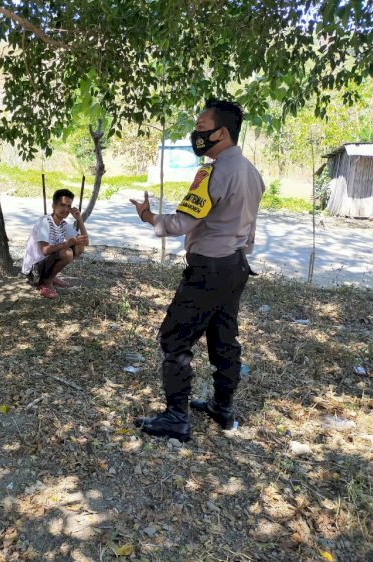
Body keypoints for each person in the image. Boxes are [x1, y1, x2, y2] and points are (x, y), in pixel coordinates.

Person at [129, 99, 264, 442]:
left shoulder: (213, 171)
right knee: (224, 339)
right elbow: (249, 229)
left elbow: (182, 222)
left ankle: (176, 418)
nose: (196, 133)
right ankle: (223, 408)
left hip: (208, 270)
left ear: (222, 132)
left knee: (174, 339)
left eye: (202, 127)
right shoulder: (252, 172)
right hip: (235, 267)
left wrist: (147, 215)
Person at [21, 188, 89, 299]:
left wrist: (79, 219)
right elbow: (45, 250)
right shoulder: (45, 222)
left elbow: (85, 242)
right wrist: (66, 243)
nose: (66, 209)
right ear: (54, 206)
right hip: (34, 272)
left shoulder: (63, 224)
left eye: (68, 206)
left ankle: (51, 277)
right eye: (62, 205)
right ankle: (46, 282)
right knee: (66, 252)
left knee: (79, 247)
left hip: (44, 265)